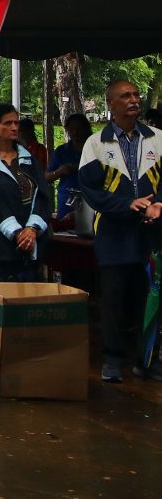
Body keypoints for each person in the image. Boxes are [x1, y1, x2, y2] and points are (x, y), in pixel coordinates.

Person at [79, 80, 162, 383]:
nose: (134, 100)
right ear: (110, 104)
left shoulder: (157, 138)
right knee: (113, 299)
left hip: (151, 233)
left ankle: (147, 359)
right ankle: (112, 359)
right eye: (125, 96)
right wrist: (127, 204)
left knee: (149, 298)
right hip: (114, 232)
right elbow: (90, 190)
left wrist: (158, 204)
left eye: (136, 95)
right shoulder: (96, 144)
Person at [0, 104, 51, 282]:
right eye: (8, 123)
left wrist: (32, 229)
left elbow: (43, 194)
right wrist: (17, 232)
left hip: (31, 247)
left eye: (16, 122)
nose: (14, 127)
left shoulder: (28, 159)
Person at [46, 113, 92, 219]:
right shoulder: (61, 151)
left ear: (85, 129)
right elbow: (46, 177)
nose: (75, 132)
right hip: (66, 201)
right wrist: (59, 172)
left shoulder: (95, 149)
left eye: (78, 129)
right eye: (71, 129)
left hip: (89, 202)